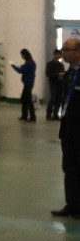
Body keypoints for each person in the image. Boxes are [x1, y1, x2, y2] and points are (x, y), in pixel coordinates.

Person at [51, 38, 80, 219]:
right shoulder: (69, 73)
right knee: (69, 168)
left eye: (67, 50)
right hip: (68, 127)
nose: (63, 53)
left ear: (78, 52)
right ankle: (72, 205)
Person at [13, 49, 37, 122]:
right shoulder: (31, 62)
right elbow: (22, 68)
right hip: (29, 83)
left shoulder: (29, 63)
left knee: (26, 100)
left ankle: (30, 117)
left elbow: (21, 70)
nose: (21, 56)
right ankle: (25, 116)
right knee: (25, 100)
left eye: (22, 55)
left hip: (28, 84)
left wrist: (14, 67)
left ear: (25, 55)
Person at [47, 49, 66, 120]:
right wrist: (58, 74)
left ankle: (55, 114)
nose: (60, 56)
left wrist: (63, 75)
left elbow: (63, 73)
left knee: (59, 100)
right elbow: (48, 73)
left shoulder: (61, 65)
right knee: (53, 98)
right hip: (53, 83)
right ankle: (49, 113)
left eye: (60, 55)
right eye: (58, 54)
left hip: (60, 84)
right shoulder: (49, 64)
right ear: (55, 54)